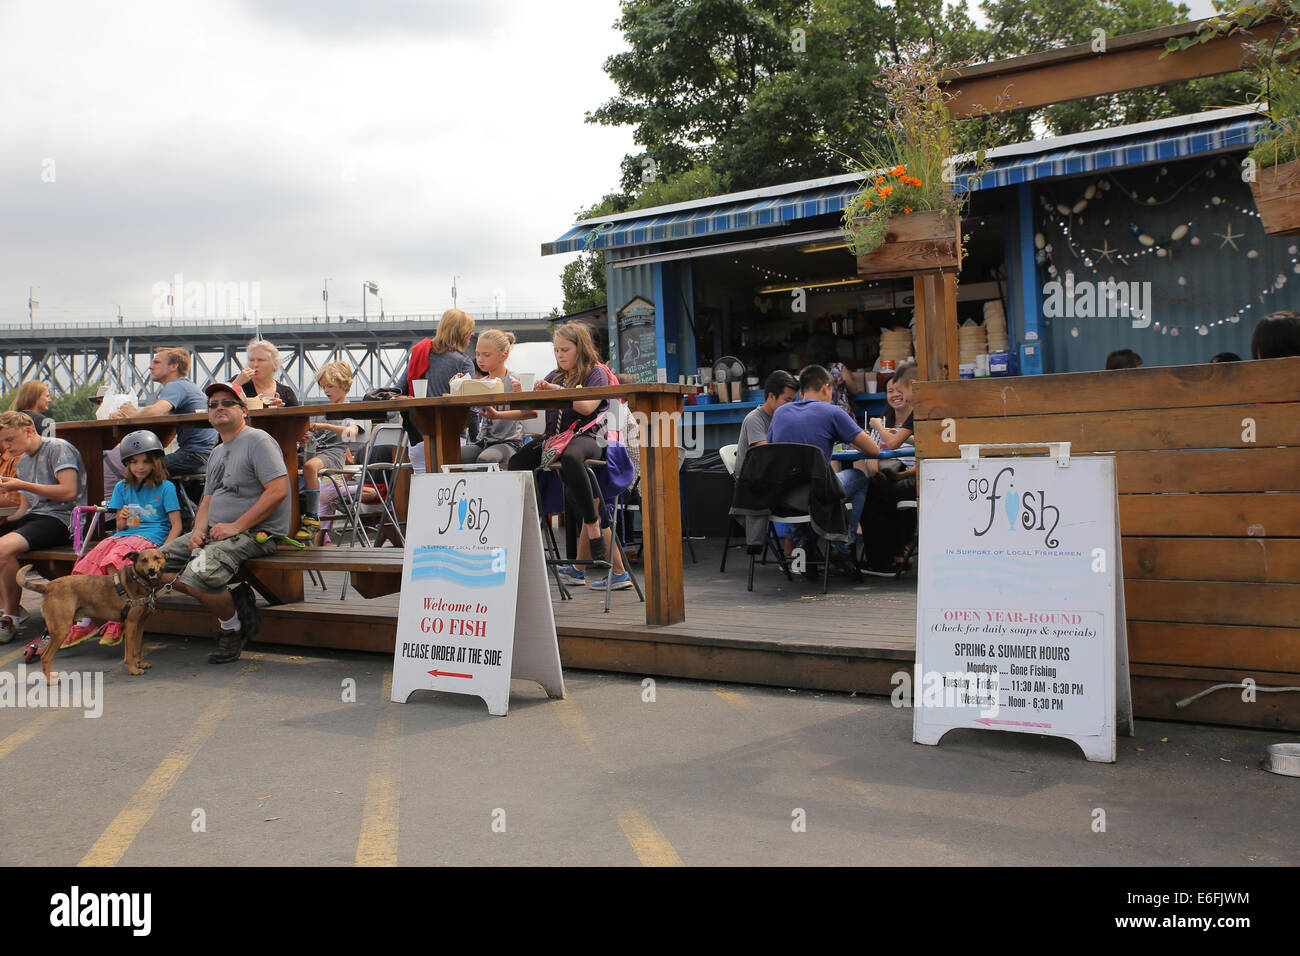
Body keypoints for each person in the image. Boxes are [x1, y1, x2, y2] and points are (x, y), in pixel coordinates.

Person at [157, 383, 289, 664]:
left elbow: (278, 491)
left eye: (227, 403)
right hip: (217, 533)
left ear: (243, 411)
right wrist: (197, 532)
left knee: (198, 575)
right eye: (213, 404)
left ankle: (233, 626)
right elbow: (206, 499)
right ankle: (234, 600)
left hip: (256, 533)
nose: (219, 408)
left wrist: (237, 526)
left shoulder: (258, 441)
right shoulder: (218, 450)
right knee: (151, 566)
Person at [22, 430, 181, 662]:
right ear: (127, 464)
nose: (140, 467)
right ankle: (85, 620)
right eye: (133, 462)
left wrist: (161, 553)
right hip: (127, 535)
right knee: (90, 558)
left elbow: (175, 524)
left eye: (146, 461)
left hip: (151, 538)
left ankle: (121, 615)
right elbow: (119, 526)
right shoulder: (122, 488)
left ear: (156, 462)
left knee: (114, 558)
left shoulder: (166, 487)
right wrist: (122, 519)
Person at [507, 322, 632, 590]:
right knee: (517, 461)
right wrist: (524, 393)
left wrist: (553, 391)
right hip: (558, 442)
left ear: (580, 348)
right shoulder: (554, 375)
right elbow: (533, 409)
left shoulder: (595, 373)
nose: (560, 354)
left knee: (577, 466)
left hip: (591, 439)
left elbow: (587, 407)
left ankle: (591, 537)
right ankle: (525, 529)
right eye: (556, 350)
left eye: (565, 349)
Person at [768, 364, 881, 557]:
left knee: (819, 481)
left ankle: (805, 541)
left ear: (802, 391)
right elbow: (874, 450)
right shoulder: (833, 412)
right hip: (817, 496)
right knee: (859, 477)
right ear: (827, 388)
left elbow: (771, 450)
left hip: (782, 497)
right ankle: (843, 544)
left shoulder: (780, 413)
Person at [0, 411, 87, 643]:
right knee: (4, 545)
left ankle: (10, 615)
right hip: (37, 517)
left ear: (28, 430)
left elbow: (68, 492)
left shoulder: (58, 448)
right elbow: (26, 508)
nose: (6, 447)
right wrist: (7, 521)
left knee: (3, 548)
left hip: (65, 519)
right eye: (3, 442)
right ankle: (8, 609)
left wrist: (22, 485)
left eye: (10, 439)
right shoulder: (24, 462)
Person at [115, 347, 218, 479]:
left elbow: (155, 412)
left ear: (174, 366)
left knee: (140, 468)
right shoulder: (187, 386)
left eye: (156, 363)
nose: (150, 367)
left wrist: (133, 413)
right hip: (207, 454)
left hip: (195, 455)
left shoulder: (175, 385)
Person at [295, 362, 363, 541]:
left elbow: (352, 433)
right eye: (324, 386)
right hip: (315, 452)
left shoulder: (352, 410)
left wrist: (326, 426)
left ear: (345, 386)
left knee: (309, 467)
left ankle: (311, 516)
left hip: (334, 454)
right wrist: (302, 439)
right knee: (285, 463)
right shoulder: (320, 411)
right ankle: (291, 516)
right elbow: (309, 439)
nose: (326, 390)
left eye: (330, 386)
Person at [862, 362, 919, 574]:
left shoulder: (915, 419)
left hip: (915, 478)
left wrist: (878, 426)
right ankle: (890, 554)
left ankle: (882, 558)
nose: (896, 394)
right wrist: (875, 472)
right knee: (874, 487)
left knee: (874, 495)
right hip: (896, 476)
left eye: (899, 390)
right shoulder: (885, 420)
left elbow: (895, 443)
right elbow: (871, 453)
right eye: (890, 391)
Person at [407, 308, 476, 475]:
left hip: (418, 436)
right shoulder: (464, 362)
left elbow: (401, 387)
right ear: (462, 333)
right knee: (450, 493)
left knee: (424, 489)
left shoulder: (418, 354)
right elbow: (472, 406)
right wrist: (474, 437)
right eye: (469, 331)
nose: (472, 335)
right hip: (452, 438)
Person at [464, 329, 533, 467]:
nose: (480, 359)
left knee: (486, 460)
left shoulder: (516, 381)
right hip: (483, 442)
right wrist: (457, 386)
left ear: (504, 355)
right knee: (451, 456)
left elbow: (532, 412)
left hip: (509, 443)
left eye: (486, 355)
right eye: (477, 354)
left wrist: (498, 415)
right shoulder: (480, 382)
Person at [735, 370, 798, 477]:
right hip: (751, 484)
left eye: (794, 401)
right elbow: (767, 455)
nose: (791, 406)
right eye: (787, 400)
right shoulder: (754, 419)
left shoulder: (784, 418)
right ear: (771, 396)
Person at [230, 339, 299, 407]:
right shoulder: (238, 381)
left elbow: (298, 418)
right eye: (251, 360)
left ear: (275, 364)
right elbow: (220, 403)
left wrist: (279, 412)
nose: (255, 365)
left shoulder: (287, 393)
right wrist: (236, 384)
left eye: (260, 360)